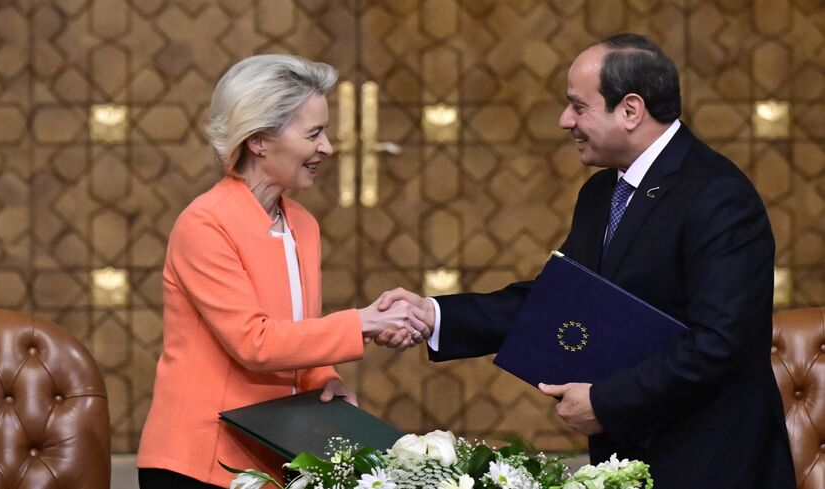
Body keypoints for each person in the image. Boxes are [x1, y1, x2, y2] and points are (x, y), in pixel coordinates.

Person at [375, 33, 795, 489]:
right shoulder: (602, 191)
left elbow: (722, 343)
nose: (563, 120)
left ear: (631, 110)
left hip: (712, 461)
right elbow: (559, 300)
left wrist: (607, 402)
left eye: (578, 106)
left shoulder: (717, 194)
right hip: (634, 454)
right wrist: (433, 314)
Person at [136, 54, 429, 489]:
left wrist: (325, 381)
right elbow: (254, 342)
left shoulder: (303, 225)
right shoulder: (205, 224)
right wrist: (363, 322)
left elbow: (297, 335)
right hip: (199, 463)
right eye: (314, 133)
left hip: (272, 457)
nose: (327, 147)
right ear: (258, 140)